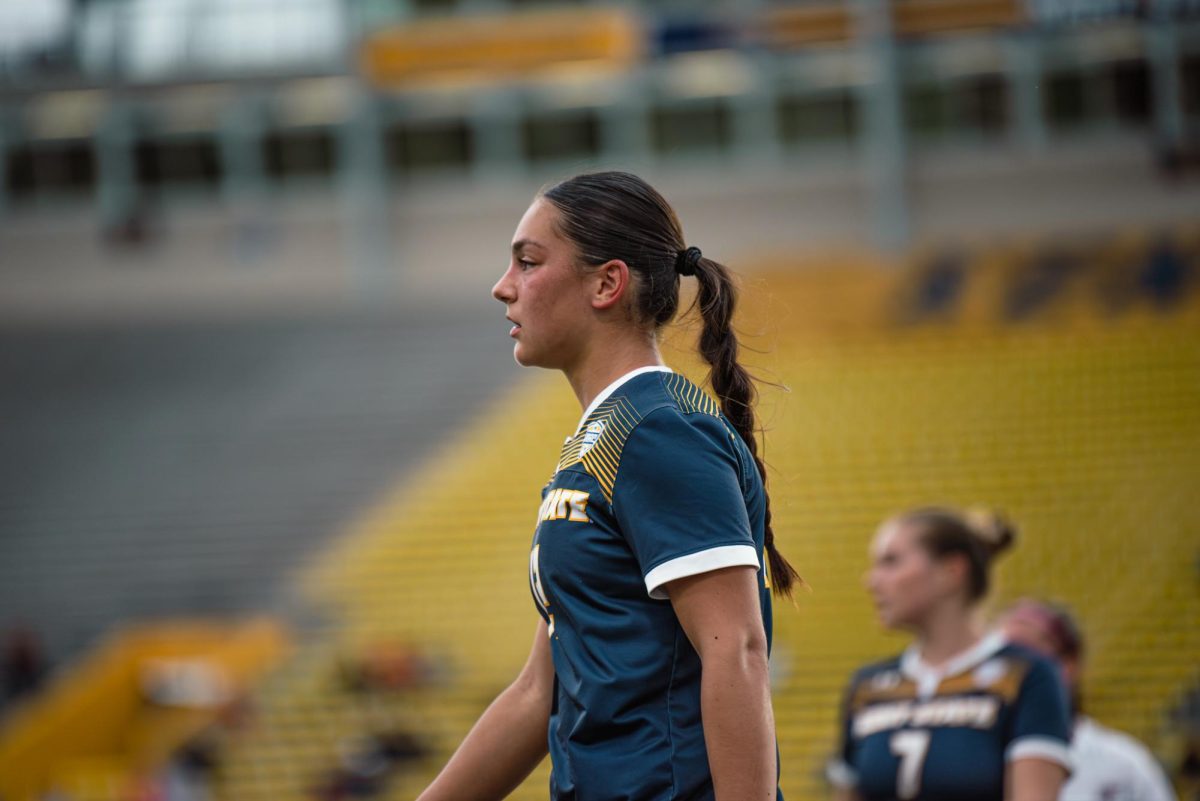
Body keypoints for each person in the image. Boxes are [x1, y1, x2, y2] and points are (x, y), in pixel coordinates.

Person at [415, 171, 800, 801]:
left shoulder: (656, 432)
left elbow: (738, 650)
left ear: (606, 283)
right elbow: (538, 693)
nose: (502, 286)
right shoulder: (603, 439)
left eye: (528, 261)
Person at [828, 507, 1073, 801]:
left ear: (952, 571)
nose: (872, 581)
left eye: (891, 562)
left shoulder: (1027, 675)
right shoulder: (867, 686)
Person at [1001, 598, 1177, 801]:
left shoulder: (1122, 765)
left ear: (1070, 664)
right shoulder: (975, 765)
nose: (1013, 672)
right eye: (1003, 659)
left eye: (1030, 657)